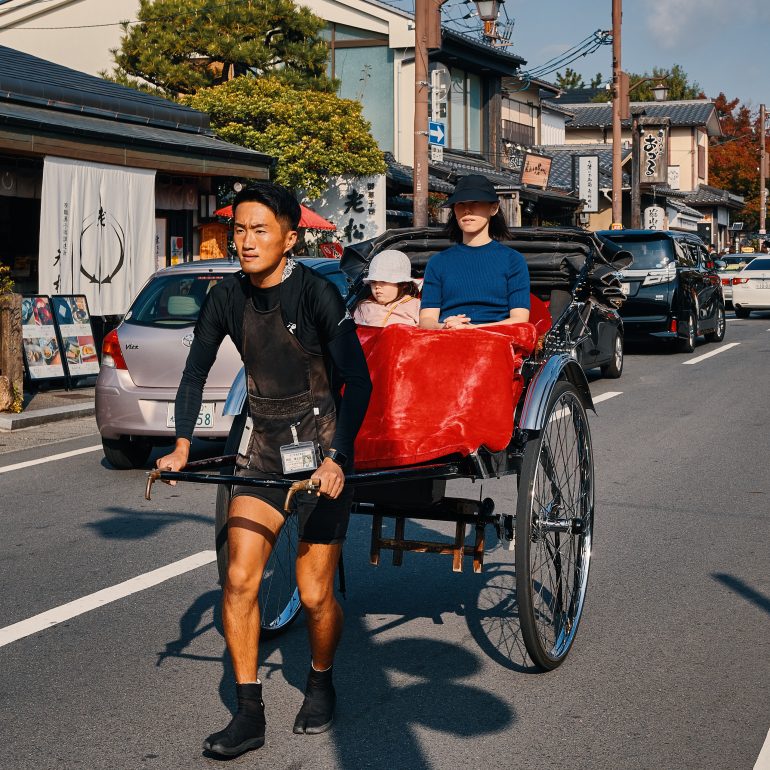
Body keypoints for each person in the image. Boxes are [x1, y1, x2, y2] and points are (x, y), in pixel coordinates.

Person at [156, 182, 372, 759]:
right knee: (238, 580)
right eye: (240, 229)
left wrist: (338, 458)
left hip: (321, 449)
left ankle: (321, 681)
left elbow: (358, 382)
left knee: (315, 593)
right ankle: (249, 712)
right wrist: (182, 444)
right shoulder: (226, 296)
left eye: (260, 230)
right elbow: (195, 371)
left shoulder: (318, 294)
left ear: (289, 238)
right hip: (263, 448)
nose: (246, 241)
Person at [418, 174, 530, 330]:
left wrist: (472, 329)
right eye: (460, 204)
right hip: (446, 337)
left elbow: (520, 319)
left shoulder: (513, 260)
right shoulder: (438, 262)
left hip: (498, 338)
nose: (467, 210)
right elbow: (426, 319)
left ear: (494, 208)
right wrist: (445, 327)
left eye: (475, 202)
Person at [352, 249, 420, 327]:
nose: (377, 286)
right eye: (373, 282)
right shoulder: (364, 307)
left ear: (403, 283)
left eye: (384, 281)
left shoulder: (415, 305)